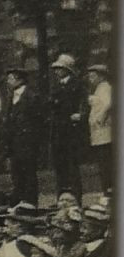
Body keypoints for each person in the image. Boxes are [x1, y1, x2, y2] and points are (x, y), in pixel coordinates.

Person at [2, 68, 44, 208]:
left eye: (10, 79)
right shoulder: (10, 97)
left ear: (19, 79)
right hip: (14, 144)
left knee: (29, 175)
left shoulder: (32, 96)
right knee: (17, 175)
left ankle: (31, 204)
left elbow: (39, 121)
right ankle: (19, 204)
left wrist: (35, 142)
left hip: (28, 143)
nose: (8, 82)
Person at [48, 54, 87, 196]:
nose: (57, 71)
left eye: (60, 68)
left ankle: (76, 199)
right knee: (60, 167)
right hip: (58, 131)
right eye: (56, 68)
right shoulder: (56, 86)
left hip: (71, 132)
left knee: (72, 167)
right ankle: (61, 199)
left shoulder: (77, 85)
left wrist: (80, 115)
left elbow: (84, 104)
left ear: (68, 69)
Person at [85, 64, 112, 177]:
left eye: (93, 76)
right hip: (99, 132)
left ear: (101, 77)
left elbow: (108, 104)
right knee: (102, 161)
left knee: (106, 161)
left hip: (104, 130)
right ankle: (107, 189)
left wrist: (100, 117)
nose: (90, 80)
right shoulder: (98, 89)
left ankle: (109, 190)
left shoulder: (105, 88)